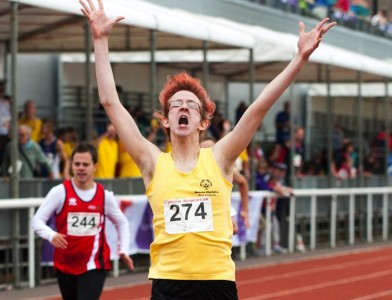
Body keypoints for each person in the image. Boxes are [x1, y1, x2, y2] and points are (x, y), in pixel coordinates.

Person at [80, 0, 335, 298]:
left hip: (217, 282)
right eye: (176, 105)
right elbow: (111, 103)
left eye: (192, 105)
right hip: (168, 284)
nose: (183, 107)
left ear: (203, 122)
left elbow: (259, 107)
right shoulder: (151, 162)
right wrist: (100, 40)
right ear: (166, 119)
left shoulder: (220, 157)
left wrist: (299, 59)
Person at [31, 143, 134, 300]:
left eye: (85, 164)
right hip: (65, 263)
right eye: (77, 164)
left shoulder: (104, 196)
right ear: (71, 165)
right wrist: (51, 235)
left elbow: (122, 222)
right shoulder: (60, 192)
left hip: (94, 263)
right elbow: (37, 221)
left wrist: (124, 249)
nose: (80, 168)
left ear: (95, 166)